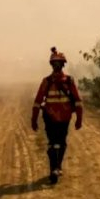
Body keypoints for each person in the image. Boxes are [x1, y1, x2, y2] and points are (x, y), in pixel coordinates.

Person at [31, 47, 84, 184]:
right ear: (52, 65)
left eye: (59, 63)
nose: (57, 65)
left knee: (61, 142)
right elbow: (37, 102)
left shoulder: (69, 81)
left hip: (65, 119)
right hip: (50, 118)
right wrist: (34, 119)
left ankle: (57, 166)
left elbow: (78, 101)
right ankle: (54, 168)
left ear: (62, 64)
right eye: (55, 63)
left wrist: (79, 119)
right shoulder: (46, 82)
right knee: (53, 143)